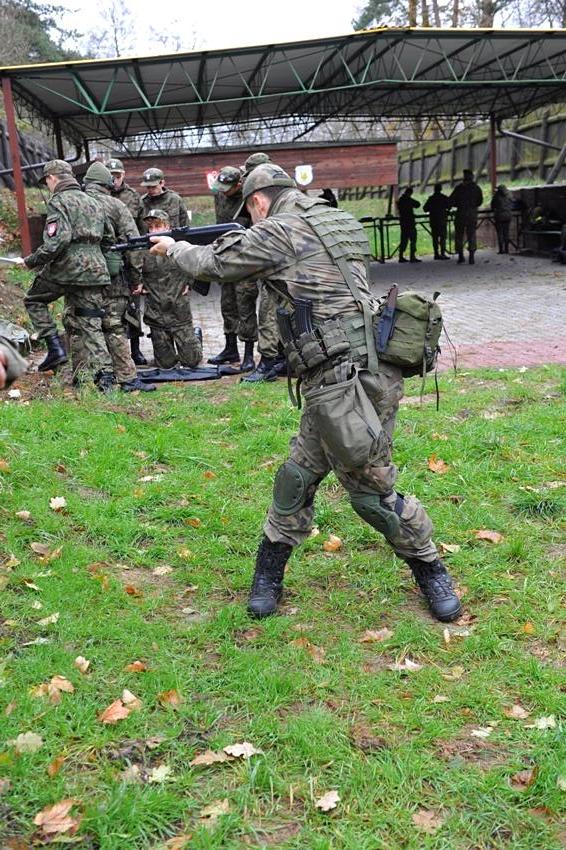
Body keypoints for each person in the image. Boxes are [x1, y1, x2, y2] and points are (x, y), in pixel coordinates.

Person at [150, 163, 462, 624]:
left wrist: (174, 247)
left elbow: (215, 264)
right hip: (354, 370)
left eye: (250, 211)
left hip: (346, 381)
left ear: (258, 202)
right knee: (297, 476)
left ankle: (430, 567)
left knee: (371, 491)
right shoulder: (337, 219)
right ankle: (268, 574)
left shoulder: (280, 229)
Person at [81, 161, 154, 392]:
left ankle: (88, 377)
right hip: (112, 277)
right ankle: (127, 378)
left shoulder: (75, 203)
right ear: (108, 184)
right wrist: (136, 278)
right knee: (113, 326)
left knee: (84, 325)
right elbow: (133, 244)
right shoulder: (116, 205)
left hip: (79, 278)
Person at [137, 208, 202, 369]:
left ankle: (195, 336)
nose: (153, 231)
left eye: (158, 226)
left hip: (178, 311)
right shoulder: (143, 250)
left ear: (167, 226)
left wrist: (190, 283)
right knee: (166, 365)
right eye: (150, 227)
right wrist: (138, 283)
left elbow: (194, 263)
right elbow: (135, 269)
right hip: (156, 314)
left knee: (191, 362)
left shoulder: (178, 247)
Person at [208, 165, 257, 371]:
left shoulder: (249, 198)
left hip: (245, 259)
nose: (223, 192)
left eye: (227, 188)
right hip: (225, 256)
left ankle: (248, 354)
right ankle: (230, 349)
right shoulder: (219, 195)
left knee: (245, 306)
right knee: (227, 304)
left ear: (239, 184)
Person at [108, 157, 147, 365]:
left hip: (129, 256)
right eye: (111, 175)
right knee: (113, 307)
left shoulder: (133, 197)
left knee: (133, 305)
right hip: (109, 258)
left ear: (123, 175)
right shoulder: (100, 196)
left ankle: (136, 349)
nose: (114, 179)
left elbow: (141, 230)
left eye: (117, 175)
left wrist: (139, 262)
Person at [449, 169, 483, 265]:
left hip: (460, 214)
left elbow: (451, 201)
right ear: (472, 177)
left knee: (459, 235)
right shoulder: (476, 188)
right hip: (472, 214)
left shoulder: (459, 188)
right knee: (471, 235)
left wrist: (458, 204)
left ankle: (461, 256)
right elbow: (480, 201)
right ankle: (471, 256)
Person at [423, 183, 450, 260]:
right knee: (443, 238)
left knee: (435, 238)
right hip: (442, 220)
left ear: (434, 189)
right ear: (441, 189)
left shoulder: (431, 198)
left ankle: (436, 254)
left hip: (434, 221)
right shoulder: (443, 198)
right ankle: (442, 253)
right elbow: (449, 205)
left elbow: (425, 209)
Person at [397, 187, 421, 263]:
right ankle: (412, 256)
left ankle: (401, 256)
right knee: (413, 240)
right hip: (410, 223)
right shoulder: (409, 200)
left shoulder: (400, 200)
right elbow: (418, 204)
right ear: (410, 193)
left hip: (403, 223)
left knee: (403, 240)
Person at [491, 185, 513, 254]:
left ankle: (501, 250)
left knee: (500, 233)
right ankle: (507, 249)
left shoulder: (496, 196)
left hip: (499, 216)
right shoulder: (509, 195)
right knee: (506, 233)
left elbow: (492, 206)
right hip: (508, 215)